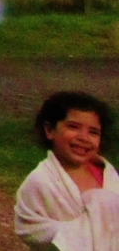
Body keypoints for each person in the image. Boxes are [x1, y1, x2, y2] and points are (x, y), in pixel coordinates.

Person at [15, 91, 119, 250]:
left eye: (93, 132)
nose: (84, 137)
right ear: (50, 131)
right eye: (73, 127)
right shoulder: (41, 181)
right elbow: (30, 227)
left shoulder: (109, 177)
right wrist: (77, 231)